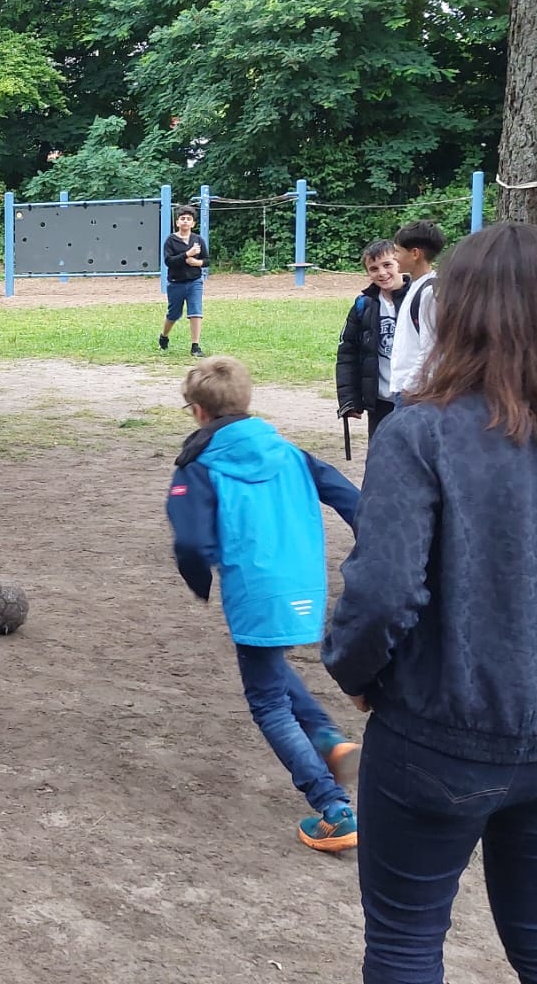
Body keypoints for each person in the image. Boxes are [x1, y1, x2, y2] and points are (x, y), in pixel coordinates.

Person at [324, 223, 537, 984]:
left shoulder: (419, 434)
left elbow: (382, 591)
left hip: (442, 736)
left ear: (458, 312)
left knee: (406, 940)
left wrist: (353, 670)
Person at [167, 356, 364, 852]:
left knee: (267, 703)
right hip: (305, 585)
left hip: (256, 591)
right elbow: (351, 499)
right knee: (267, 664)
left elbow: (189, 542)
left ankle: (333, 808)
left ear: (198, 411)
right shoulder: (288, 450)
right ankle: (328, 740)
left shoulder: (198, 465)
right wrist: (377, 543)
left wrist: (198, 580)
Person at [336, 239, 411, 439]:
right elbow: (347, 353)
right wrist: (348, 399)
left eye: (387, 265)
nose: (382, 273)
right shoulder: (364, 306)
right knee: (381, 453)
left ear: (399, 264)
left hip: (415, 399)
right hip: (380, 402)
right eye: (374, 268)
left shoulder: (419, 297)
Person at [387, 219, 445, 402]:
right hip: (406, 390)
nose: (394, 257)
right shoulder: (415, 286)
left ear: (415, 254)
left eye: (397, 251)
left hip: (415, 393)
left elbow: (431, 348)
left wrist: (409, 387)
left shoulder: (429, 292)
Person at [160, 205, 208, 357]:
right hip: (176, 283)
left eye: (188, 219)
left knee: (196, 312)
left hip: (195, 281)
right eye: (182, 219)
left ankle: (195, 346)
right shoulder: (171, 240)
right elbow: (169, 261)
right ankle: (164, 336)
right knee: (173, 314)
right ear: (177, 222)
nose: (185, 221)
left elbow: (207, 260)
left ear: (193, 223)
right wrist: (187, 254)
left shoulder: (198, 240)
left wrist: (198, 262)